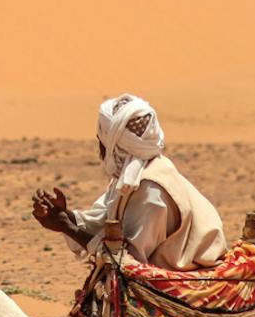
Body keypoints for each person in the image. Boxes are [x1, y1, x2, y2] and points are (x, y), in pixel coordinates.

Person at [29, 93, 226, 270]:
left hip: (177, 275)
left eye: (101, 141)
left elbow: (127, 261)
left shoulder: (150, 191)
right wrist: (65, 217)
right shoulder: (135, 175)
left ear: (112, 145)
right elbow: (105, 221)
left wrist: (68, 227)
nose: (99, 150)